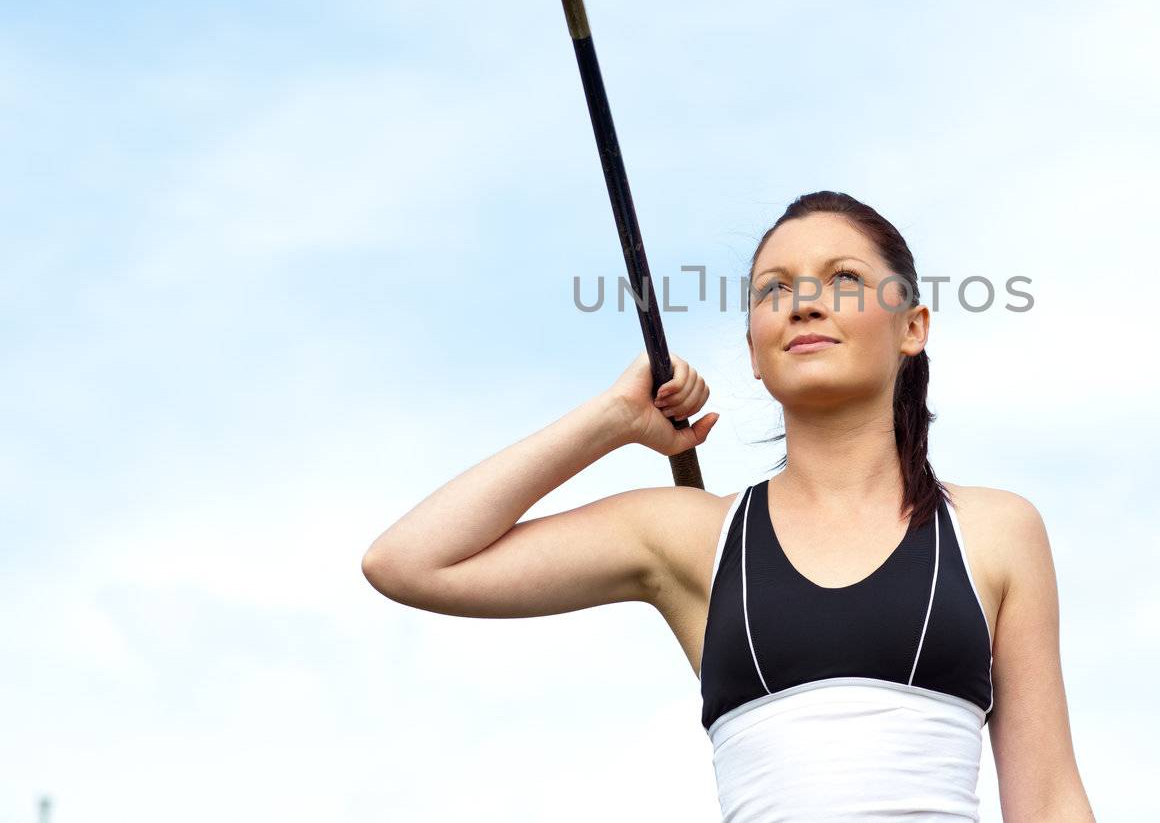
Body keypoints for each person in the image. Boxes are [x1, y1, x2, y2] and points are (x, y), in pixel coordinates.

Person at [361, 190, 1095, 822]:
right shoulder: (690, 539)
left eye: (843, 277)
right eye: (773, 289)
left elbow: (1050, 802)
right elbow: (409, 560)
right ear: (753, 347)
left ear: (913, 326)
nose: (804, 300)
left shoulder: (995, 531)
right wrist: (611, 420)